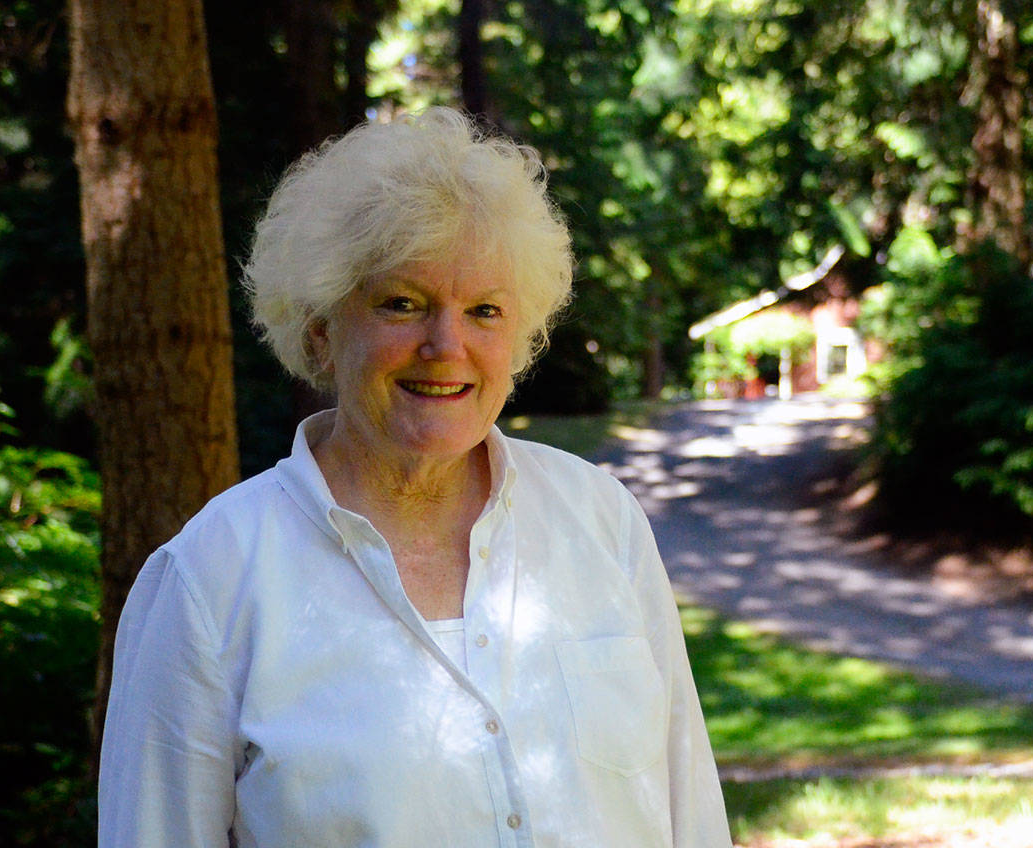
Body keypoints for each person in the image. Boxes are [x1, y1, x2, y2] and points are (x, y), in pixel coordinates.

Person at [98, 107, 732, 847]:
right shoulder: (210, 579)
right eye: (403, 303)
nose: (446, 346)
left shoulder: (601, 520)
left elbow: (691, 811)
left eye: (484, 311)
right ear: (320, 330)